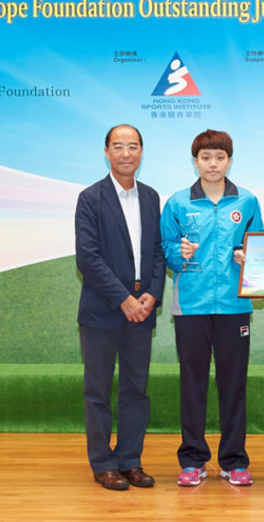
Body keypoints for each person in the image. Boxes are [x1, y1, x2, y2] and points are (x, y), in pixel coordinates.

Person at [160, 129, 264, 487]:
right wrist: (179, 253)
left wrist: (248, 258)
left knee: (233, 384)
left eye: (220, 157)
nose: (213, 164)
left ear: (229, 160)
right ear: (195, 162)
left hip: (235, 307)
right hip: (191, 306)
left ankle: (234, 461)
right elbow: (166, 249)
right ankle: (192, 460)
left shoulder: (247, 202)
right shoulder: (177, 203)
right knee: (192, 384)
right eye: (206, 158)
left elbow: (261, 250)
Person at [74, 124, 166, 491]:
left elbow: (158, 251)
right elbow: (88, 258)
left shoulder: (150, 197)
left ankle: (130, 460)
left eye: (133, 146)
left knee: (135, 390)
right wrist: (124, 298)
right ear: (107, 152)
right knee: (98, 391)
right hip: (102, 312)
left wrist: (152, 295)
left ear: (142, 151)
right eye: (118, 146)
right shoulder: (90, 198)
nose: (126, 153)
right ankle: (102, 463)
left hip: (141, 312)